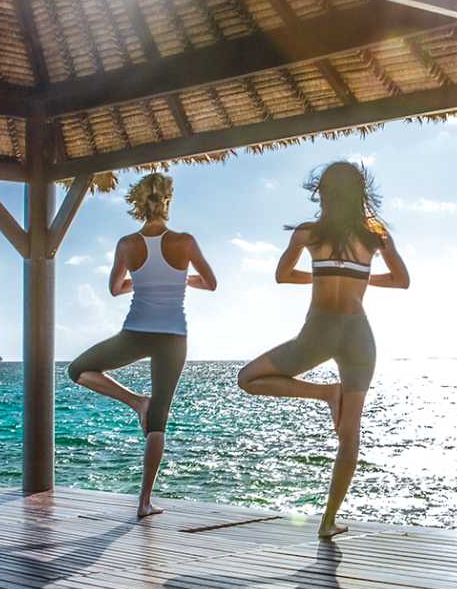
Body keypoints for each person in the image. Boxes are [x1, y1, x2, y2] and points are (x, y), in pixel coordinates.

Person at [237, 161, 409, 539]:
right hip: (358, 337)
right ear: (361, 194)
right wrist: (359, 274)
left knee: (247, 378)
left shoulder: (308, 234)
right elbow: (402, 280)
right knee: (350, 435)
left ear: (323, 192)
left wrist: (323, 272)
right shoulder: (375, 236)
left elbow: (282, 275)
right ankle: (328, 521)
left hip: (317, 334)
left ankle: (323, 393)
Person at [68, 173, 217, 519]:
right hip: (173, 338)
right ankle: (144, 502)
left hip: (135, 332)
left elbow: (115, 288)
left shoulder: (126, 244)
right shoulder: (186, 241)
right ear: (168, 201)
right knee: (158, 421)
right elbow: (210, 283)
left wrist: (143, 280)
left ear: (138, 203)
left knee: (78, 370)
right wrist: (180, 278)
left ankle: (136, 402)